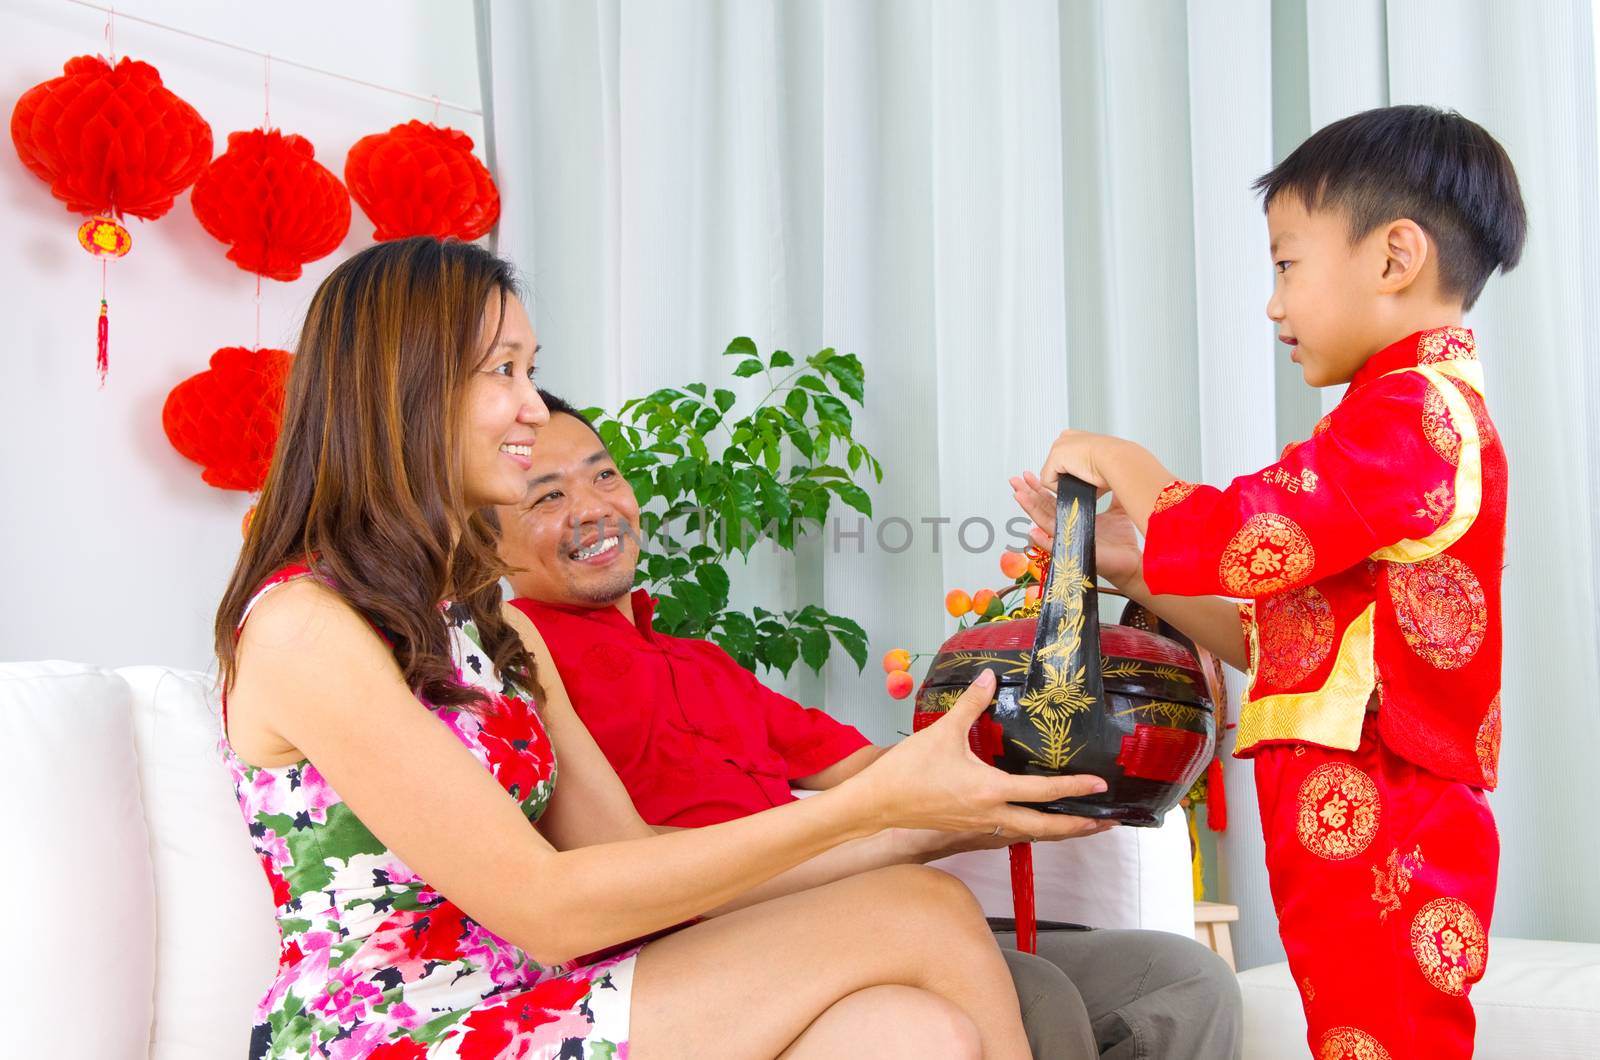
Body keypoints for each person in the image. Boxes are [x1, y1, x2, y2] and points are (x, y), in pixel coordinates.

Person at [216, 235, 1120, 1060]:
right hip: (405, 1029)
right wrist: (864, 807)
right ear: (405, 387)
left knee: (906, 1032)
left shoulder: (495, 627)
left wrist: (938, 818)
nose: (533, 407)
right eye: (504, 371)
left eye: (532, 369)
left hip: (537, 994)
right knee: (925, 918)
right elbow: (546, 906)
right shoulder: (306, 627)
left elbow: (632, 862)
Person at [496, 393, 1245, 1059]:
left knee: (1183, 983)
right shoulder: (517, 659)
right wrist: (910, 827)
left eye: (603, 476)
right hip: (707, 954)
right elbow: (609, 870)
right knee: (1037, 994)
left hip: (844, 912)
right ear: (485, 540)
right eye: (544, 496)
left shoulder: (697, 660)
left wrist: (1044, 739)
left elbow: (875, 771)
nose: (591, 507)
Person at [1011, 105, 1524, 1060]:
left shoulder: (1417, 415)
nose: (1273, 303)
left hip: (1388, 805)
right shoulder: (1388, 417)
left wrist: (1119, 457)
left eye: (1287, 264)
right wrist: (1131, 562)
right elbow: (1274, 636)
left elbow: (1250, 530)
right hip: (1360, 803)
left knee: (1389, 1041)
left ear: (1395, 255)